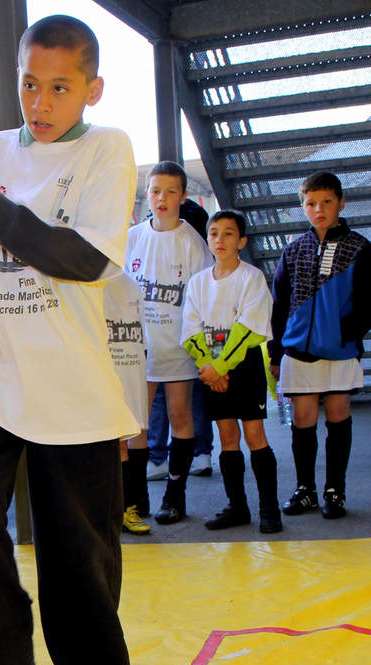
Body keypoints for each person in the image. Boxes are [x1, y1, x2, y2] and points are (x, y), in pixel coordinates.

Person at [0, 15, 141, 665]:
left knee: (78, 552)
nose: (41, 101)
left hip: (71, 385)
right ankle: (4, 646)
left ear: (92, 88)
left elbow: (83, 259)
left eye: (59, 87)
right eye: (30, 83)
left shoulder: (109, 150)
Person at [269, 171, 371, 518]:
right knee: (303, 419)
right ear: (302, 207)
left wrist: (345, 333)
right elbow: (280, 304)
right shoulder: (293, 250)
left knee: (337, 415)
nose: (319, 209)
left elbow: (370, 304)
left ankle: (336, 490)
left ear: (341, 203)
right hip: (298, 352)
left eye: (327, 202)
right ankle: (306, 489)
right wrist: (277, 352)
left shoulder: (360, 248)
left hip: (340, 351)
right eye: (311, 203)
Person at [181, 211, 282, 534]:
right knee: (227, 437)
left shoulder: (251, 278)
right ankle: (237, 506)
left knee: (254, 435)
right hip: (212, 370)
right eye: (214, 233)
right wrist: (207, 368)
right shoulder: (198, 282)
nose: (220, 240)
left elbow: (248, 329)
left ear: (241, 241)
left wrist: (220, 368)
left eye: (228, 234)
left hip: (244, 368)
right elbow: (190, 330)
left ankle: (270, 509)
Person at [125, 161, 213, 524]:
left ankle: (174, 498)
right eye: (156, 190)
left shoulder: (193, 242)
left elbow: (202, 299)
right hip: (136, 350)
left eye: (171, 191)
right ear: (147, 193)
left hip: (177, 349)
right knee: (137, 426)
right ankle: (136, 500)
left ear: (183, 196)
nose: (162, 198)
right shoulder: (132, 238)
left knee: (180, 417)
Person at [103, 269, 151, 534]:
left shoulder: (133, 285)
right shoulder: (89, 283)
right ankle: (117, 509)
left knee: (128, 440)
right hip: (106, 376)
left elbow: (140, 338)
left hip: (131, 370)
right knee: (113, 445)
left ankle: (127, 507)